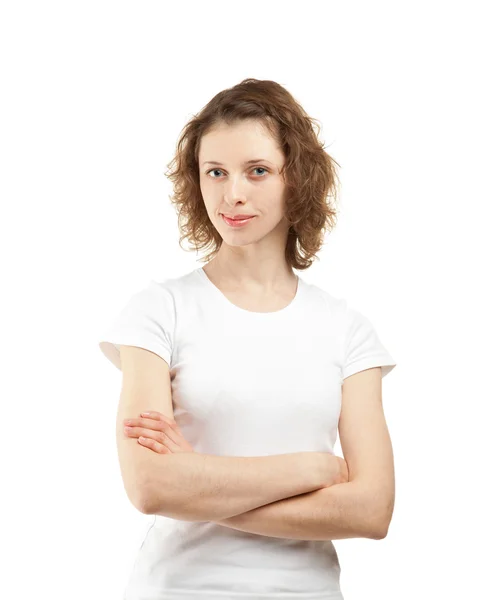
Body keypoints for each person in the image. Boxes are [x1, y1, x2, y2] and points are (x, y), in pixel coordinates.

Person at [99, 78, 397, 600]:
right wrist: (313, 469)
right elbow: (150, 487)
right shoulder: (157, 310)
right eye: (215, 172)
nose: (231, 193)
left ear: (296, 179)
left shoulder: (348, 330)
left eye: (257, 171)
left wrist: (197, 483)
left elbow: (372, 511)